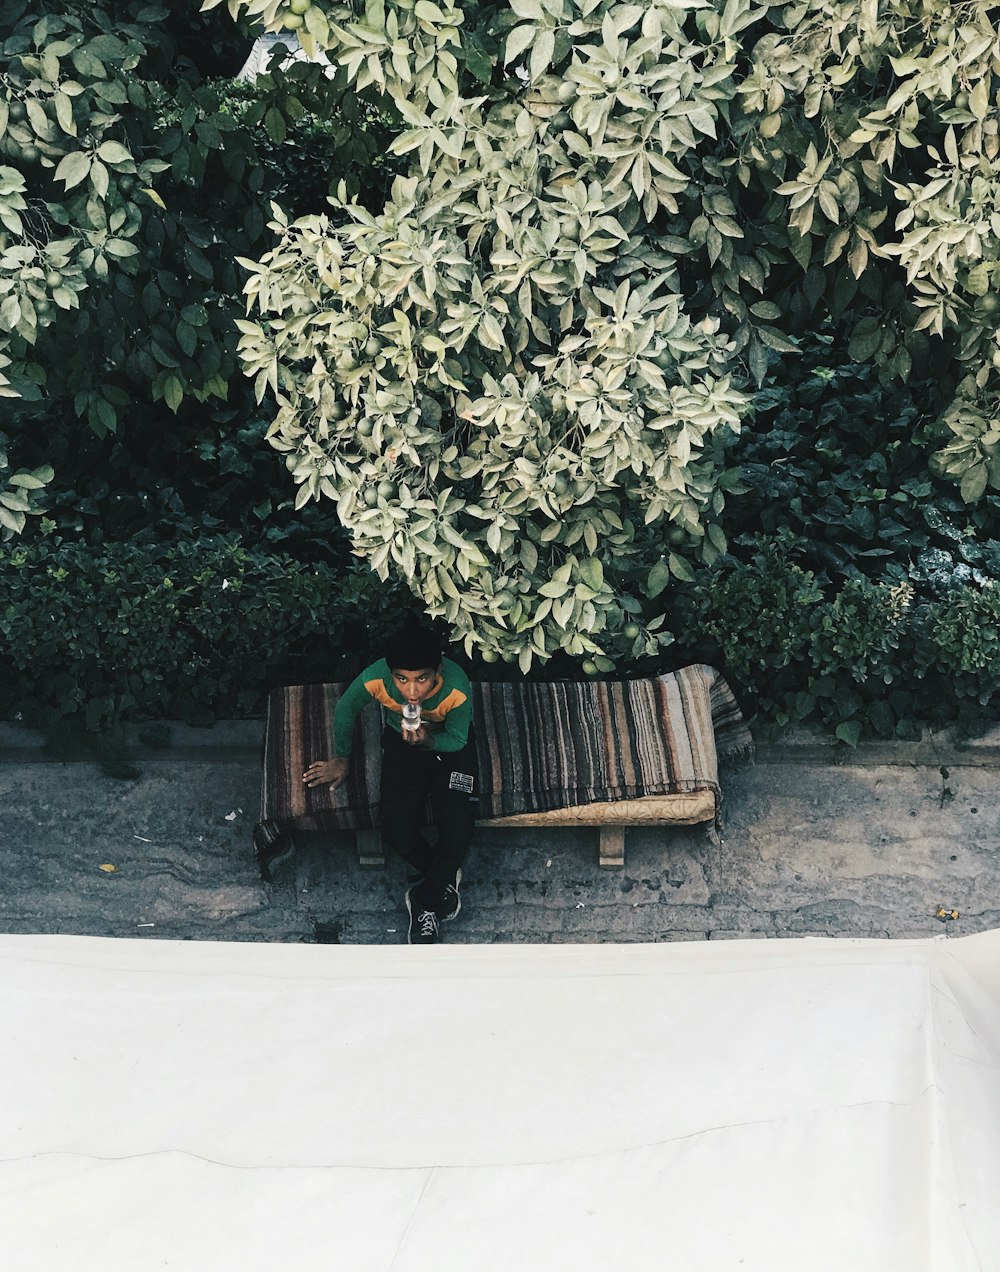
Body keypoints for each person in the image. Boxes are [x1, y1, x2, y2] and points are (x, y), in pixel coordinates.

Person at [303, 621, 478, 945]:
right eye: (402, 679)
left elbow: (457, 739)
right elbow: (345, 709)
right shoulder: (376, 678)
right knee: (396, 830)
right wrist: (342, 758)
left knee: (459, 831)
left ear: (437, 671)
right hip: (401, 744)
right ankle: (442, 877)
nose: (412, 691)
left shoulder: (456, 688)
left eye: (422, 679)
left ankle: (425, 900)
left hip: (448, 748)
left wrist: (428, 741)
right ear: (391, 672)